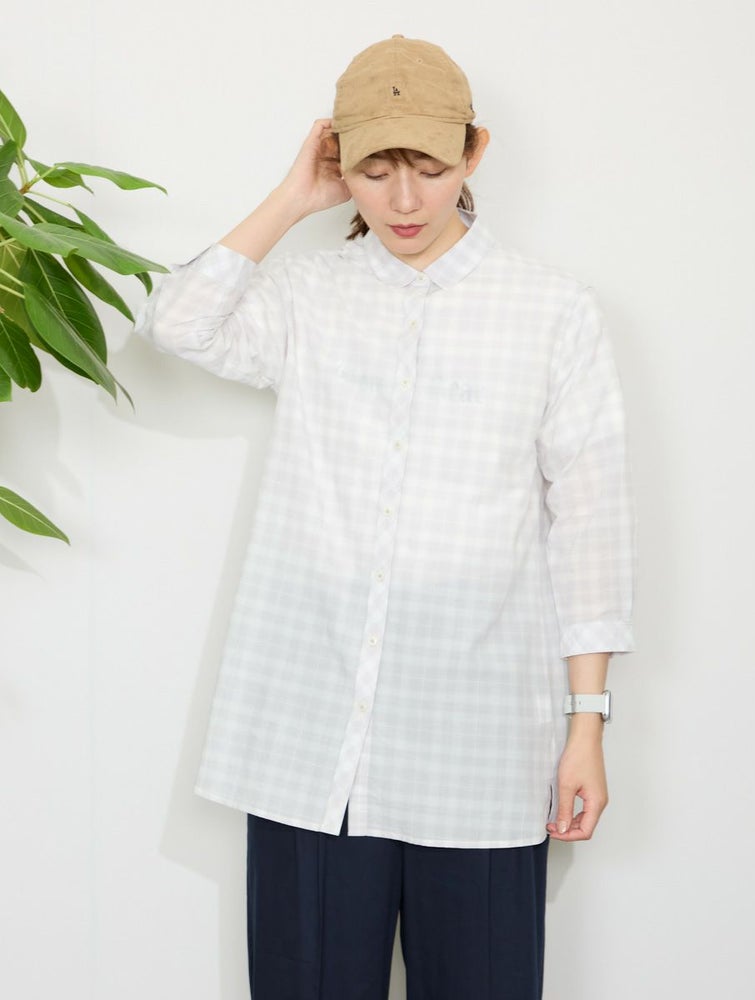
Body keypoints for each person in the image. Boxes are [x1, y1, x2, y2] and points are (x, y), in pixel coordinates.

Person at [136, 34, 635, 1000]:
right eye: (374, 171)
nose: (404, 200)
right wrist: (295, 197)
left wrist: (589, 724)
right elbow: (176, 322)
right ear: (340, 163)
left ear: (474, 153)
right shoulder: (305, 297)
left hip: (479, 746)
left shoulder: (552, 313)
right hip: (311, 748)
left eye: (430, 169)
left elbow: (593, 527)